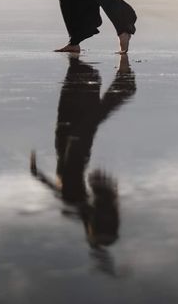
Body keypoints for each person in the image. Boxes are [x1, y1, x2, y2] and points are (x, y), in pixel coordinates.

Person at [30, 53, 136, 260]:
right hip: (75, 155)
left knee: (80, 123)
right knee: (85, 125)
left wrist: (38, 175)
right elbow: (59, 192)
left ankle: (113, 91)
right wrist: (38, 175)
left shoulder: (76, 206)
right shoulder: (77, 206)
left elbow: (57, 191)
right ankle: (121, 92)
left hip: (70, 155)